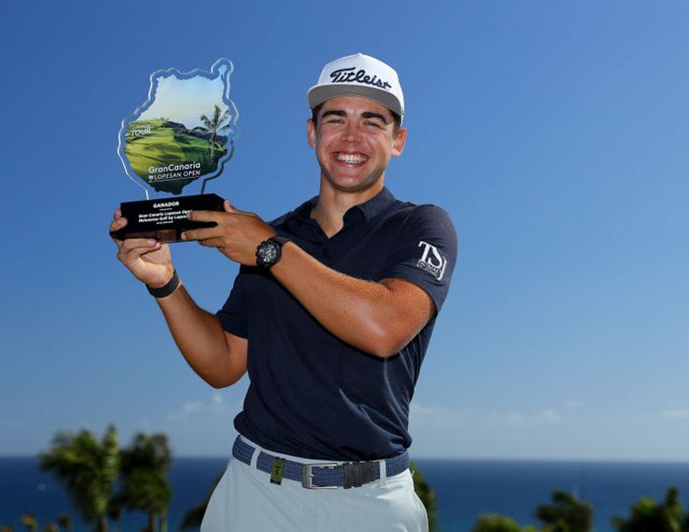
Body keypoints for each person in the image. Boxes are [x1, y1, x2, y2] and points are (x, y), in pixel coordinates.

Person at [111, 52, 457, 531]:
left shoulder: (421, 226)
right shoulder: (270, 236)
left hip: (371, 503)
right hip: (253, 493)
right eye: (335, 119)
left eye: (372, 121)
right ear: (313, 133)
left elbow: (386, 326)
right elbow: (224, 363)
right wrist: (165, 284)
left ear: (397, 141)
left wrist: (270, 250)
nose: (352, 137)